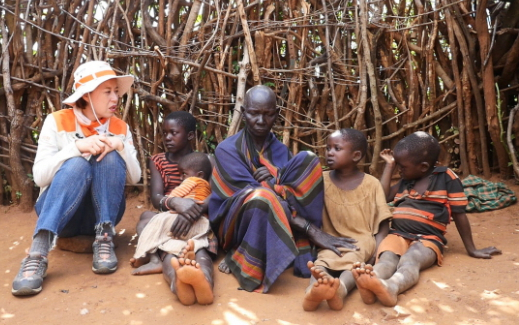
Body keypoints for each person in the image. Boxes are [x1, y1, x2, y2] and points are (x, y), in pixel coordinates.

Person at [209, 85, 358, 293]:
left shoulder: (280, 151)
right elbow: (251, 195)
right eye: (254, 114)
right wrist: (311, 230)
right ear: (243, 113)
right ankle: (241, 251)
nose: (261, 121)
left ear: (276, 114)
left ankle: (286, 244)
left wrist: (274, 179)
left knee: (308, 160)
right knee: (262, 197)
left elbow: (291, 192)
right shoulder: (227, 150)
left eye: (268, 114)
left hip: (279, 214)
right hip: (235, 225)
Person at [11, 61, 141, 296]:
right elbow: (40, 177)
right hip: (63, 217)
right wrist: (76, 147)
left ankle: (103, 239)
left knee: (110, 158)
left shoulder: (120, 127)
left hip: (102, 214)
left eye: (116, 92)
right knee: (77, 164)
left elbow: (135, 178)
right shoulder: (57, 121)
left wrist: (119, 146)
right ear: (87, 95)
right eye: (108, 92)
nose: (116, 98)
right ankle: (38, 253)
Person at [352, 132, 502, 306]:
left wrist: (471, 249)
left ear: (423, 167)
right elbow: (383, 196)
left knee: (410, 261)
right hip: (397, 235)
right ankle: (371, 284)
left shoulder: (446, 178)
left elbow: (459, 214)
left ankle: (392, 287)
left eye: (402, 166)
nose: (399, 170)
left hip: (428, 240)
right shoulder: (405, 181)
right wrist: (390, 166)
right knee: (386, 259)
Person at [130, 112, 215, 305]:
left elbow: (216, 194)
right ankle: (179, 284)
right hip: (171, 221)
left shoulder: (207, 161)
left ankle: (205, 284)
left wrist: (193, 213)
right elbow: (156, 197)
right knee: (165, 245)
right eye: (164, 133)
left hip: (197, 221)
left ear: (190, 136)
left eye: (173, 133)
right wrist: (176, 203)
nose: (167, 137)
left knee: (200, 251)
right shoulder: (158, 161)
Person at [303, 128, 391, 311]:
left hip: (361, 240)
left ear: (356, 155)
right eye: (328, 148)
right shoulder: (321, 180)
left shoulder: (371, 184)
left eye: (336, 148)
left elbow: (383, 221)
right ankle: (312, 292)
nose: (329, 153)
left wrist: (378, 250)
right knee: (321, 262)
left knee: (354, 264)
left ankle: (340, 291)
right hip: (331, 239)